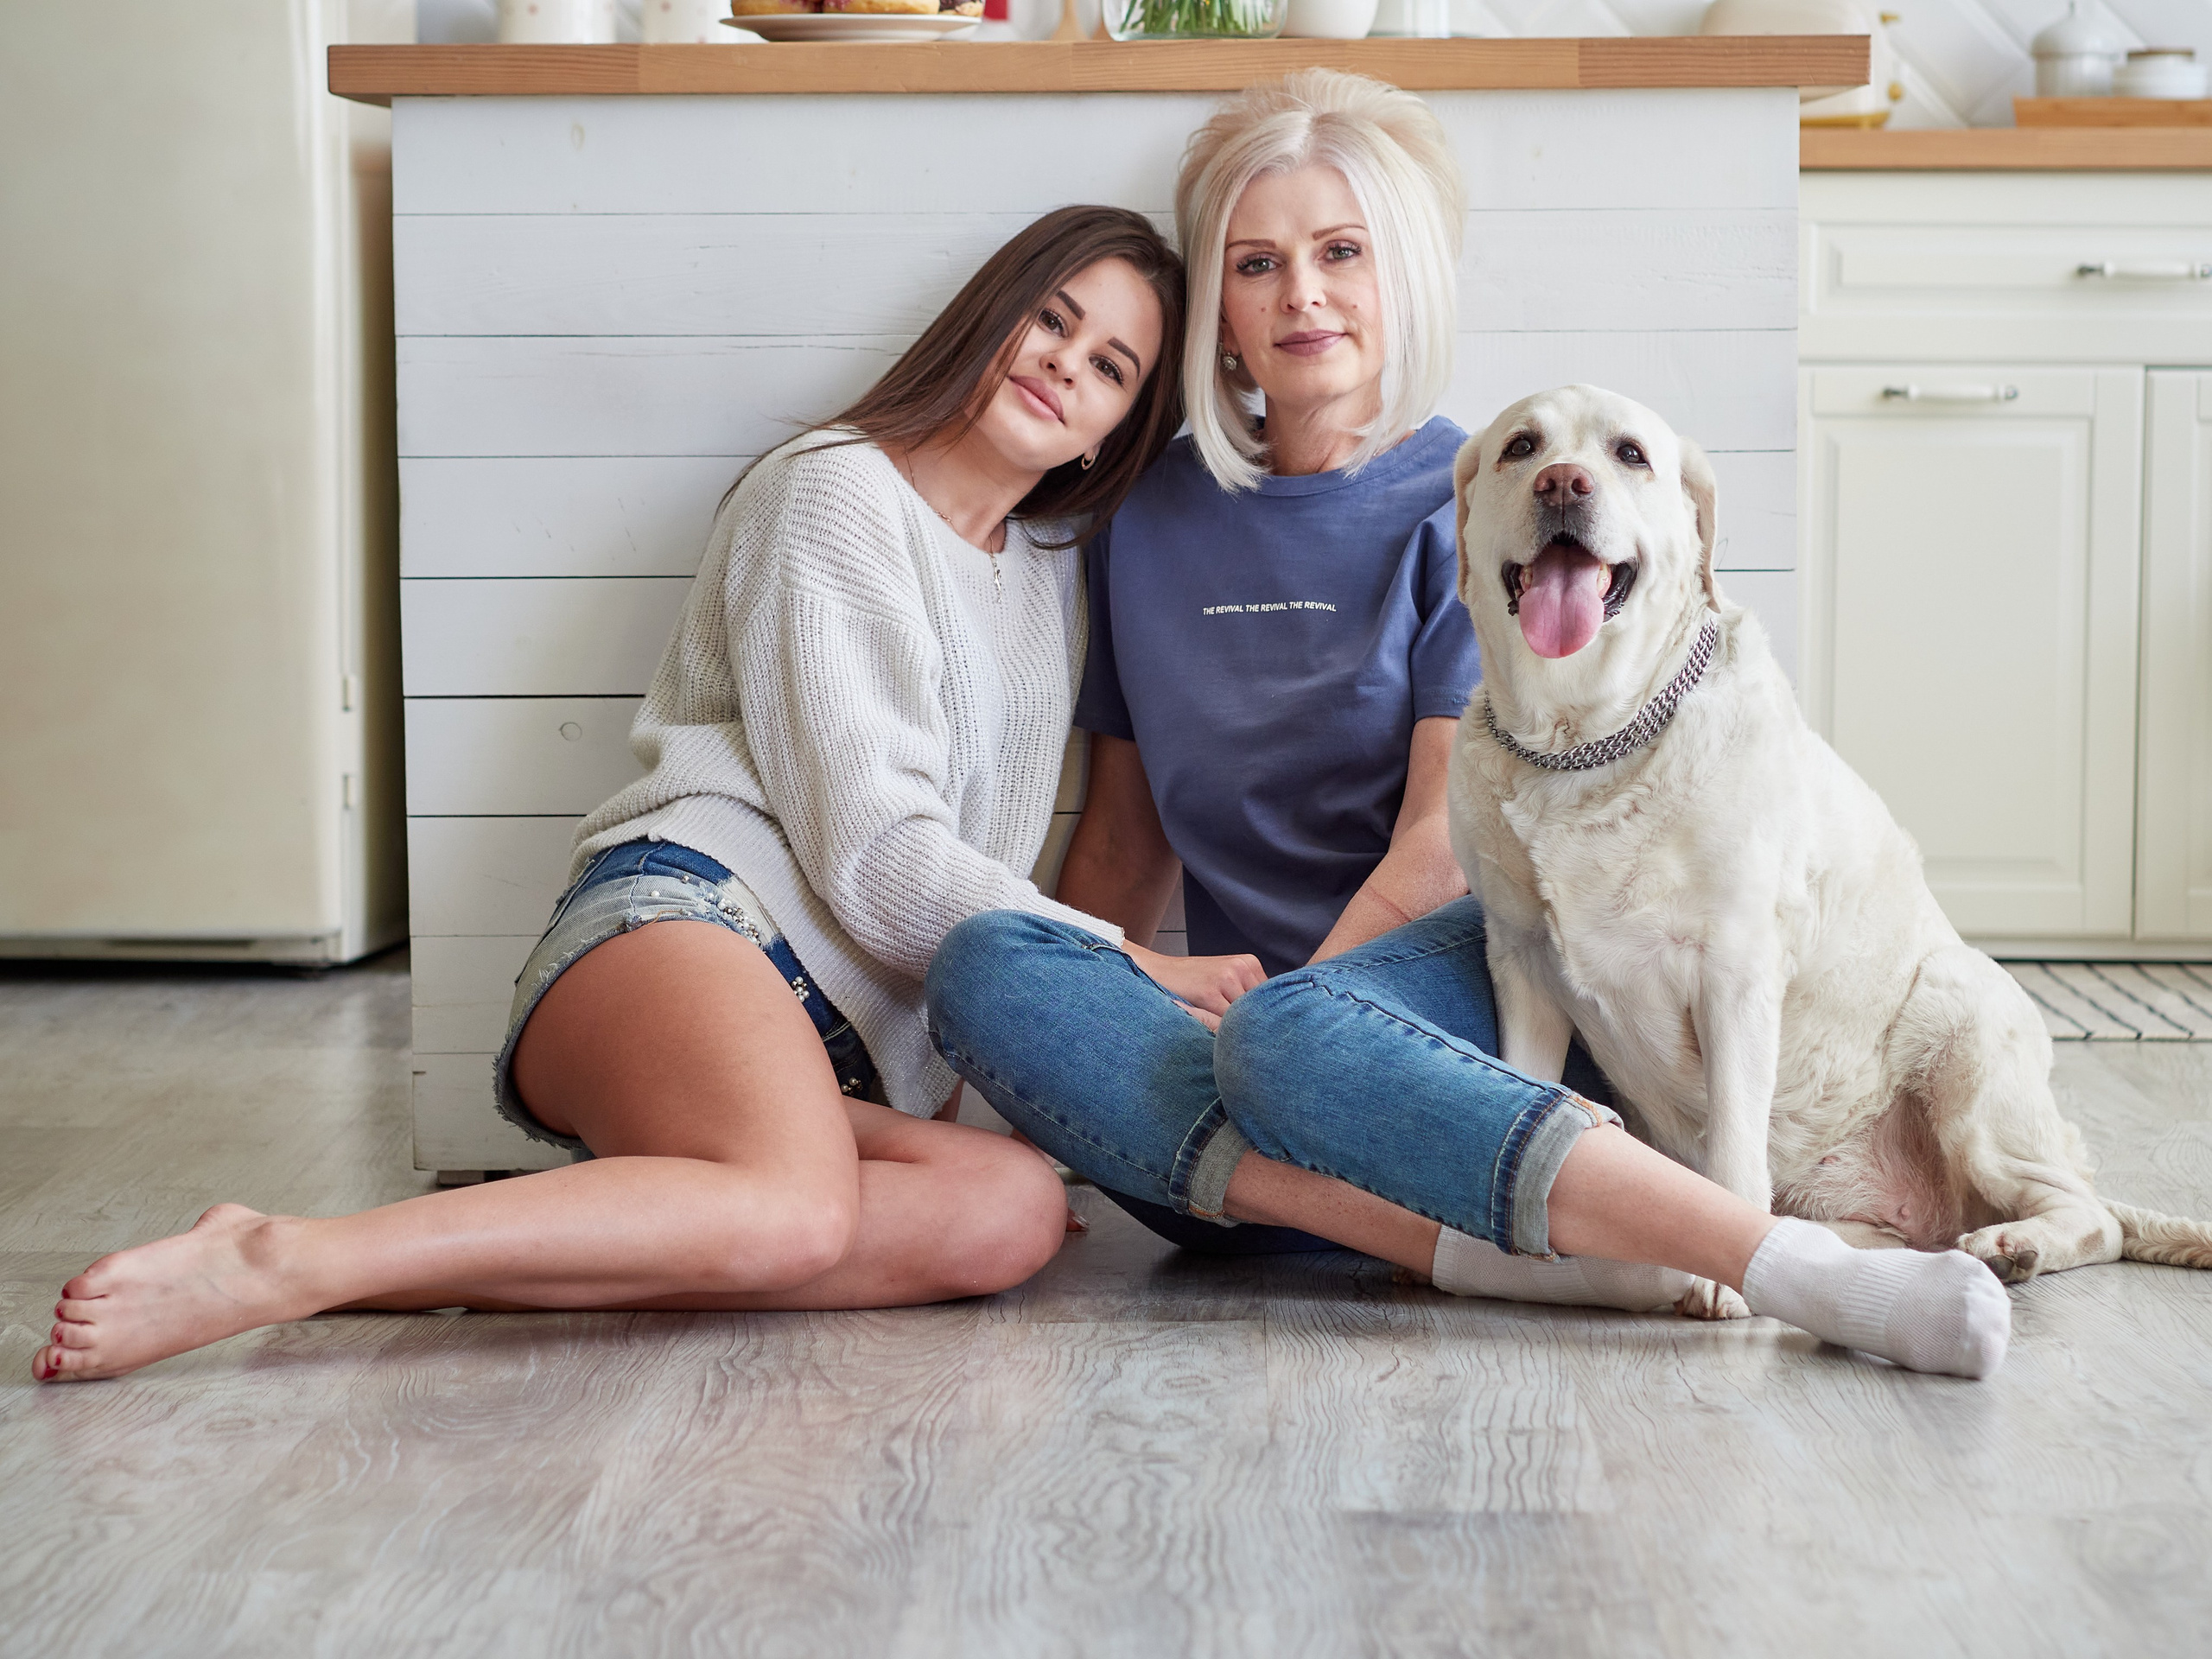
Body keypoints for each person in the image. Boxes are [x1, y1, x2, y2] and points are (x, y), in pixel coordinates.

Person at [927, 73, 2012, 1379]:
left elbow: (1442, 844)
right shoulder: (1145, 520)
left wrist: (1292, 1027)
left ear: (1408, 280)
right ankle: (1537, 1257)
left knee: (1282, 1048)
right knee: (989, 962)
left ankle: (1757, 1257)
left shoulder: (1488, 501)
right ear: (1215, 305)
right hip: (1261, 1079)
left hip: (1427, 1029)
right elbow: (1120, 845)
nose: (1302, 297)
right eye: (1257, 264)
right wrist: (1049, 1057)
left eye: (1341, 254)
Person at [35, 206, 1188, 1383]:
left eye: (1110, 366)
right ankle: (283, 1259)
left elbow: (972, 865)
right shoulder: (835, 491)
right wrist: (1120, 969)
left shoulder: (1050, 582)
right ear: (990, 319)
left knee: (1007, 1215)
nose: (1063, 363)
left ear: (1113, 433)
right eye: (1051, 320)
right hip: (692, 928)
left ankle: (634, 1220)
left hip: (833, 1058)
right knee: (799, 1214)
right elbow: (884, 861)